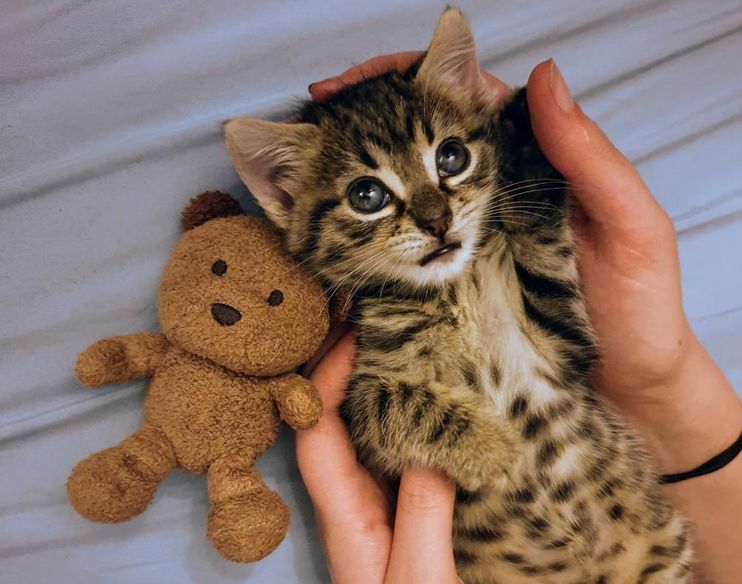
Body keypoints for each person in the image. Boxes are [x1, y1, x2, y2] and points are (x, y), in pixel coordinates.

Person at [295, 54, 742, 584]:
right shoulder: (383, 313)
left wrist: (529, 178)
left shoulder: (499, 247)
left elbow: (561, 335)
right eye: (368, 194)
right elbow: (376, 409)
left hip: (642, 546)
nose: (434, 214)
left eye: (451, 158)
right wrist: (454, 434)